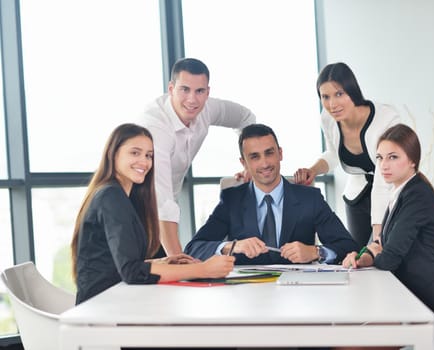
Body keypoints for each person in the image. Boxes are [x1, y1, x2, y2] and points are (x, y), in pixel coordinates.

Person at [71, 123, 235, 305]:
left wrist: (163, 262)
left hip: (116, 302)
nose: (144, 162)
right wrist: (203, 269)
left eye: (149, 155)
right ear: (113, 153)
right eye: (135, 153)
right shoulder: (111, 196)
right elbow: (132, 272)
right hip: (101, 310)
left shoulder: (126, 197)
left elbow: (116, 264)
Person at [185, 123, 358, 265]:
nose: (265, 163)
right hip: (247, 296)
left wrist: (315, 252)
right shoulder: (231, 200)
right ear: (244, 162)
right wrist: (232, 246)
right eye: (254, 157)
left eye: (269, 153)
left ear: (280, 153)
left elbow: (349, 246)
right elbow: (194, 248)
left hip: (299, 293)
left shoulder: (310, 199)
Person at [138, 57, 256, 257]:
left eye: (199, 91)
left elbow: (246, 118)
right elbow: (162, 202)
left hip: (161, 216)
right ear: (171, 88)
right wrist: (180, 262)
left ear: (207, 92)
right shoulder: (155, 127)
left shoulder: (207, 108)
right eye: (184, 89)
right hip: (134, 212)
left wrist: (250, 163)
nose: (192, 99)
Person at [342, 124, 434, 315]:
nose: (384, 165)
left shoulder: (417, 195)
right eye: (380, 158)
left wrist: (377, 251)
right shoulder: (401, 193)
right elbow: (381, 244)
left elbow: (389, 258)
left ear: (412, 160)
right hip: (415, 302)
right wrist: (365, 257)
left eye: (393, 157)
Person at [294, 62, 400, 250]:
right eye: (325, 97)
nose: (332, 104)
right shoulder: (327, 119)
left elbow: (385, 177)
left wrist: (377, 234)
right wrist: (313, 170)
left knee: (384, 251)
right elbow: (334, 153)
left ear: (352, 90)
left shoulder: (386, 118)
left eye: (339, 94)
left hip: (389, 190)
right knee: (356, 254)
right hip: (357, 196)